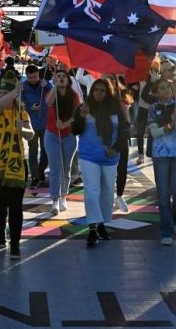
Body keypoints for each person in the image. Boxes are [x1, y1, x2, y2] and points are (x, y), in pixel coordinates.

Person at [72, 78, 128, 247]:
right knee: (91, 190)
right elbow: (75, 130)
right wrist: (81, 116)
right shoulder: (83, 107)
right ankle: (92, 228)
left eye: (103, 90)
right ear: (91, 90)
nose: (99, 93)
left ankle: (102, 223)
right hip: (88, 155)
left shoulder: (117, 108)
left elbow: (124, 131)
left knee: (108, 191)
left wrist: (116, 148)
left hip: (110, 156)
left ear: (108, 92)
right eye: (96, 90)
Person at [0, 72, 34, 259]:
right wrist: (13, 91)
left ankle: (15, 244)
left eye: (4, 92)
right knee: (0, 204)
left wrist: (23, 129)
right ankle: (0, 234)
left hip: (18, 164)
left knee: (16, 207)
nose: (0, 95)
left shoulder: (21, 112)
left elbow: (30, 134)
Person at [147, 79, 176, 246]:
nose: (166, 90)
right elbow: (154, 132)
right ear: (156, 92)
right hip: (161, 154)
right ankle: (166, 229)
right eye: (162, 89)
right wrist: (166, 128)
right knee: (163, 194)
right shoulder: (153, 108)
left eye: (168, 87)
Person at [44, 69, 81, 215]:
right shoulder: (52, 92)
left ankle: (63, 197)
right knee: (55, 168)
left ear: (68, 79)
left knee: (66, 168)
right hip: (52, 134)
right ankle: (55, 200)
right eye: (58, 76)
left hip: (69, 135)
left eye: (63, 76)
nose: (60, 78)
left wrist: (65, 124)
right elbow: (48, 102)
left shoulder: (74, 96)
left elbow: (77, 115)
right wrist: (55, 85)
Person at [105, 74, 132, 213]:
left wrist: (123, 110)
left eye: (113, 80)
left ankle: (119, 196)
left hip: (121, 140)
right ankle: (107, 197)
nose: (111, 83)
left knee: (122, 169)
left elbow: (127, 124)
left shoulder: (123, 98)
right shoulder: (100, 98)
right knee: (107, 171)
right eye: (108, 80)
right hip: (106, 141)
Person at [21, 64, 50, 188]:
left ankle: (41, 171)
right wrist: (29, 108)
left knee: (45, 151)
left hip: (45, 122)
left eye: (35, 76)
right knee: (32, 152)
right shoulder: (23, 87)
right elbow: (20, 104)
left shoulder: (45, 84)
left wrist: (47, 85)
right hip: (31, 123)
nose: (34, 79)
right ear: (26, 76)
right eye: (31, 77)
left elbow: (53, 96)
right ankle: (35, 176)